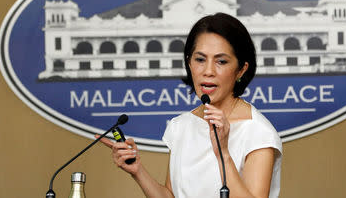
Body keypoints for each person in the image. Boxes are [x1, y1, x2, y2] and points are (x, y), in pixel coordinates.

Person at [98, 12, 282, 197]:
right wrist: (138, 171)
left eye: (221, 61)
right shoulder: (181, 126)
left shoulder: (258, 132)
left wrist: (223, 154)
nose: (208, 71)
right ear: (189, 63)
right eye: (200, 59)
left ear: (241, 69)